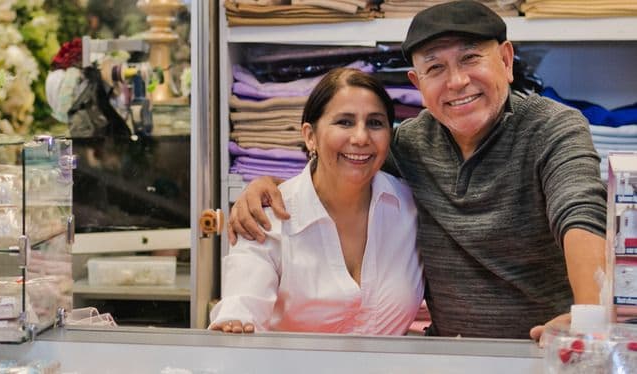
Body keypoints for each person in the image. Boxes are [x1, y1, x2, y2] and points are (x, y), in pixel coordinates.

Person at [228, 0, 606, 340]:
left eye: (471, 58)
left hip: (541, 351)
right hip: (445, 356)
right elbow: (343, 167)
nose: (457, 82)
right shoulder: (408, 145)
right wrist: (267, 186)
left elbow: (580, 213)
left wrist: (588, 319)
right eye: (435, 67)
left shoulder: (553, 127)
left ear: (506, 61)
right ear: (418, 83)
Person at [210, 68, 424, 335]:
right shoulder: (268, 219)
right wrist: (235, 322)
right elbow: (242, 308)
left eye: (375, 123)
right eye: (344, 122)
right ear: (310, 135)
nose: (361, 137)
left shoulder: (413, 209)